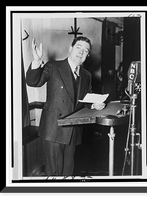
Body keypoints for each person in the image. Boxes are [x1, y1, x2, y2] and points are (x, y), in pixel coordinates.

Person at [26, 36, 105, 176]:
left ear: (87, 56)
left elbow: (84, 102)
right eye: (78, 48)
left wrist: (94, 105)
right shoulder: (53, 66)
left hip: (73, 131)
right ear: (70, 48)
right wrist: (37, 61)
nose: (81, 53)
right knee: (55, 173)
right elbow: (33, 82)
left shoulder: (86, 75)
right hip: (54, 130)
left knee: (68, 172)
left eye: (85, 51)